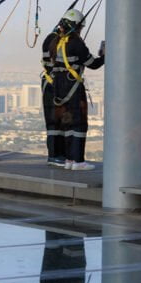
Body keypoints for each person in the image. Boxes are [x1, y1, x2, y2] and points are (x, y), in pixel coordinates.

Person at [42, 9, 104, 170]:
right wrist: (105, 55)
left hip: (55, 85)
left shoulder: (51, 40)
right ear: (76, 26)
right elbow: (93, 64)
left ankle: (64, 158)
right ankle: (76, 160)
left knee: (62, 122)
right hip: (72, 86)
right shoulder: (76, 43)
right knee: (77, 123)